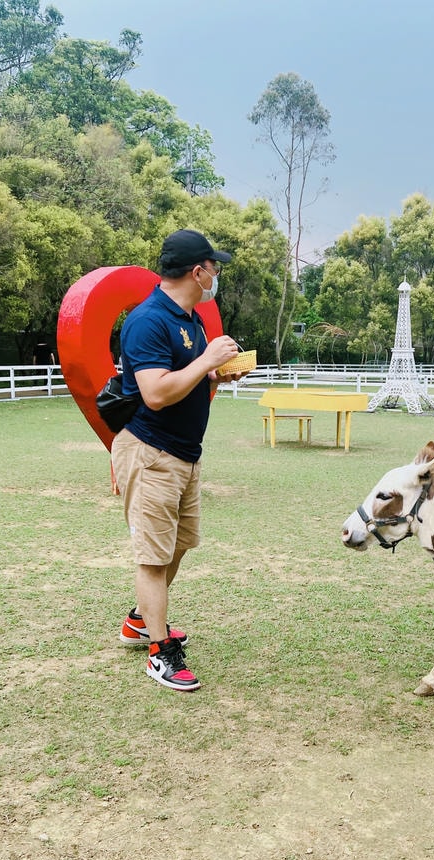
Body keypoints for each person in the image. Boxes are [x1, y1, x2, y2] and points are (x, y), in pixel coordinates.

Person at [110, 229, 243, 691]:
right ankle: (160, 654)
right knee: (152, 557)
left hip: (185, 455)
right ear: (197, 271)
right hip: (151, 453)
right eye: (214, 266)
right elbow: (156, 392)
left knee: (180, 543)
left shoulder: (192, 320)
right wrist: (206, 361)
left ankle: (140, 620)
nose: (216, 274)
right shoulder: (148, 320)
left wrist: (217, 375)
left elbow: (186, 382)